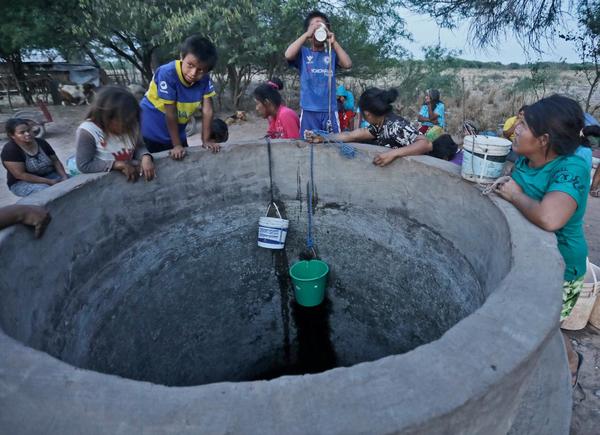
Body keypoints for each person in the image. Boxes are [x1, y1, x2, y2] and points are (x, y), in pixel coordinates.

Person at [493, 95, 591, 387]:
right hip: (529, 257)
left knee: (546, 329)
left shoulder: (571, 169)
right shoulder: (527, 157)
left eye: (523, 124)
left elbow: (550, 218)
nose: (515, 129)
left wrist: (513, 195)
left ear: (544, 139)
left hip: (560, 268)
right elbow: (517, 182)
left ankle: (571, 360)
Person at [306, 88, 452, 164]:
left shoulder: (396, 125)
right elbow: (352, 135)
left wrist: (392, 154)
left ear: (368, 114)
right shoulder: (379, 124)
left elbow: (425, 144)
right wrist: (324, 138)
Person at [140, 34, 220, 160]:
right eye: (190, 65)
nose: (193, 73)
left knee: (184, 161)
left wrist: (206, 140)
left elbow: (207, 110)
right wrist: (176, 145)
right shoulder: (167, 73)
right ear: (181, 57)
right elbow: (170, 113)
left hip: (177, 133)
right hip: (151, 133)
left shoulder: (204, 79)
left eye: (200, 70)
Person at [284, 10, 352, 137]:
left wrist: (334, 42)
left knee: (333, 145)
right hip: (309, 110)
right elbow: (288, 54)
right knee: (308, 146)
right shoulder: (303, 53)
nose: (318, 28)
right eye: (314, 25)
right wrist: (306, 35)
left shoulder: (332, 54)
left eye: (321, 25)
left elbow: (347, 64)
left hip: (329, 111)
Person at [74, 86, 155, 182]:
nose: (129, 127)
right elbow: (84, 165)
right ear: (106, 116)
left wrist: (145, 157)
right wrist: (116, 164)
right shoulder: (88, 132)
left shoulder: (131, 125)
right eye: (125, 123)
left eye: (132, 121)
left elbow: (139, 147)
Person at [1, 118, 68, 197]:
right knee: (46, 191)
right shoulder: (10, 150)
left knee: (72, 182)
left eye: (28, 130)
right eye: (22, 133)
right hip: (22, 182)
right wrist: (49, 181)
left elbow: (55, 161)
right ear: (12, 136)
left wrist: (64, 177)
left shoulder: (41, 142)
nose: (27, 134)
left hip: (48, 175)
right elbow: (20, 175)